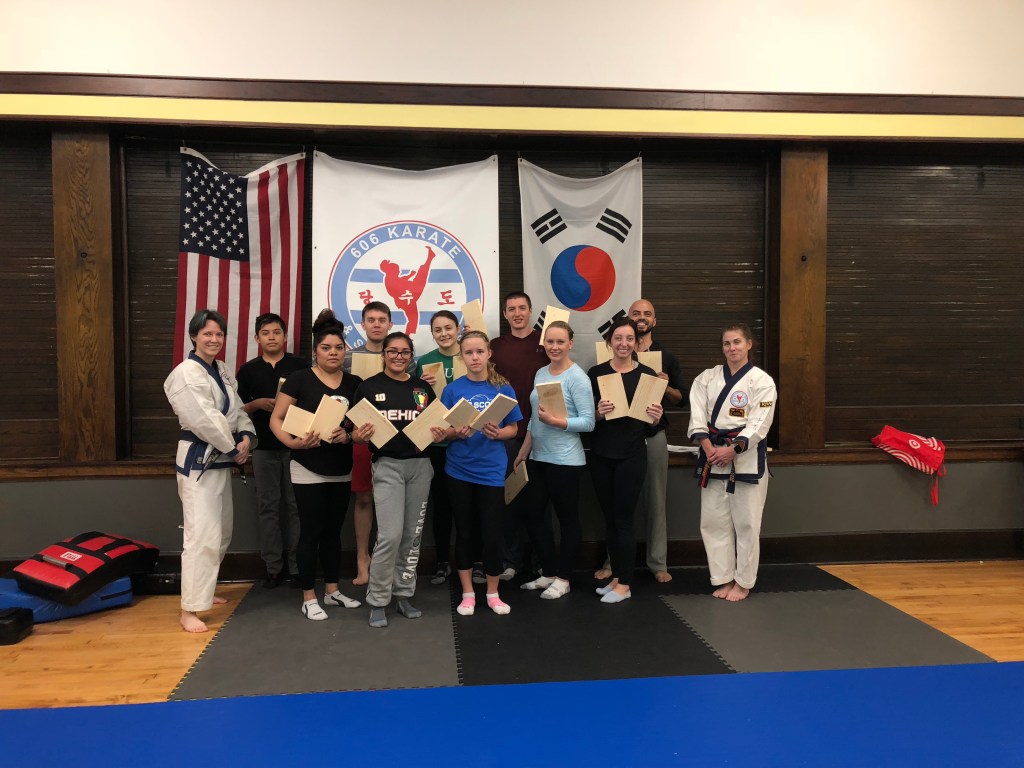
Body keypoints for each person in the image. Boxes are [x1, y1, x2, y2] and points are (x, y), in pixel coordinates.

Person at [164, 309, 256, 633]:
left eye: (218, 334)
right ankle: (189, 608)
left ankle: (204, 590)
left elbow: (237, 409)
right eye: (207, 334)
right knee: (201, 535)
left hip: (222, 460)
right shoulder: (186, 373)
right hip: (200, 463)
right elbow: (203, 418)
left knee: (221, 532)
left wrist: (246, 436)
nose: (214, 339)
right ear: (194, 336)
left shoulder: (222, 369)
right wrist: (233, 446)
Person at [270, 310, 363, 620]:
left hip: (341, 467)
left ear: (345, 350)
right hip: (307, 466)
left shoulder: (354, 383)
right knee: (310, 532)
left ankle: (332, 591)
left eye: (338, 347)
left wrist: (348, 435)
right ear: (315, 351)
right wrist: (292, 443)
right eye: (326, 348)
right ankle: (309, 596)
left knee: (334, 533)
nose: (333, 353)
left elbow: (359, 425)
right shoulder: (299, 378)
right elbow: (276, 419)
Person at [595, 299, 685, 584]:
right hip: (613, 442)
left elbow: (680, 398)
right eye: (636, 313)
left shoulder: (663, 358)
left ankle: (656, 562)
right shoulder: (600, 366)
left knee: (655, 499)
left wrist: (663, 388)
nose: (641, 317)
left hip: (650, 435)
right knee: (617, 509)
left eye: (647, 314)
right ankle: (614, 563)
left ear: (653, 321)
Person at [687, 324, 777, 602]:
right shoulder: (707, 378)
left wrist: (733, 448)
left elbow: (760, 423)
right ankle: (723, 577)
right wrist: (708, 448)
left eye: (737, 342)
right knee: (713, 522)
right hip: (713, 455)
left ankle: (744, 582)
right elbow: (697, 414)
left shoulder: (762, 381)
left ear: (749, 344)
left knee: (747, 524)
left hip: (745, 457)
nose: (732, 348)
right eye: (727, 343)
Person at [352, 332, 436, 628]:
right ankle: (378, 599)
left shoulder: (422, 388)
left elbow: (436, 423)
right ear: (384, 354)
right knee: (389, 535)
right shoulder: (369, 387)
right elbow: (353, 432)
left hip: (420, 466)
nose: (399, 357)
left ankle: (403, 594)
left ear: (411, 356)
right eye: (393, 351)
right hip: (387, 465)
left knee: (412, 536)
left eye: (404, 352)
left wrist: (441, 432)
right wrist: (358, 435)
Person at [440, 330, 522, 616]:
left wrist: (499, 433)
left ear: (489, 354)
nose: (474, 357)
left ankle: (492, 592)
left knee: (492, 533)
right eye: (468, 353)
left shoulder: (504, 388)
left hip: (491, 471)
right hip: (459, 470)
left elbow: (514, 428)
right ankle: (467, 593)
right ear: (461, 357)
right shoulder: (452, 390)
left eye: (479, 352)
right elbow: (442, 432)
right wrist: (455, 432)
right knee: (464, 532)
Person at [515, 320, 595, 600]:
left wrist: (557, 422)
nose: (555, 346)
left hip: (566, 461)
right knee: (534, 516)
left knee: (567, 520)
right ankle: (548, 572)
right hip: (538, 457)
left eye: (560, 342)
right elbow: (534, 418)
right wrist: (524, 449)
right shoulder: (541, 372)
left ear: (570, 344)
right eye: (550, 341)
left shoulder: (578, 378)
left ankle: (564, 578)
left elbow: (588, 422)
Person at [588, 318, 663, 603]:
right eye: (618, 338)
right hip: (601, 454)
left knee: (623, 519)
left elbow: (652, 424)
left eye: (629, 338)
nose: (623, 343)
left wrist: (655, 417)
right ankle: (617, 577)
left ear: (636, 342)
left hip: (631, 455)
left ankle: (625, 585)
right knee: (609, 519)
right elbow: (586, 418)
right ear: (609, 342)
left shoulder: (647, 375)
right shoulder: (596, 373)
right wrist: (598, 412)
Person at [236, 312, 309, 589]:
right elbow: (238, 411)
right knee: (267, 507)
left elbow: (311, 401)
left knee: (296, 507)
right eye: (265, 333)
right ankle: (273, 567)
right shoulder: (248, 370)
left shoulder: (299, 366)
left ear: (285, 336)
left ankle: (297, 566)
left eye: (277, 332)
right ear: (257, 338)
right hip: (263, 448)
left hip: (296, 446)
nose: (272, 337)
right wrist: (257, 404)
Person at [490, 291, 549, 581]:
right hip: (507, 435)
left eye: (522, 308)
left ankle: (541, 563)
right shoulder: (494, 347)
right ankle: (510, 561)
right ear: (505, 314)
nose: (517, 313)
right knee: (509, 501)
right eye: (511, 309)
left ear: (530, 311)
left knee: (539, 504)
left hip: (542, 434)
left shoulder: (545, 344)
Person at [346, 301, 394, 586]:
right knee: (364, 497)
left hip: (394, 438)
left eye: (382, 320)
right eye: (371, 320)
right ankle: (362, 559)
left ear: (390, 324)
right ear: (362, 324)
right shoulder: (347, 357)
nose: (377, 324)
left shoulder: (402, 356)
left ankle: (384, 560)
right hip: (361, 435)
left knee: (391, 500)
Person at [413, 310, 460, 585]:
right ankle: (442, 562)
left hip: (466, 441)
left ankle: (473, 561)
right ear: (432, 334)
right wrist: (422, 387)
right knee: (441, 505)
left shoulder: (469, 354)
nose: (444, 333)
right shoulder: (425, 362)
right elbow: (417, 403)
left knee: (468, 505)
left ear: (458, 329)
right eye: (438, 329)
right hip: (437, 443)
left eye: (448, 327)